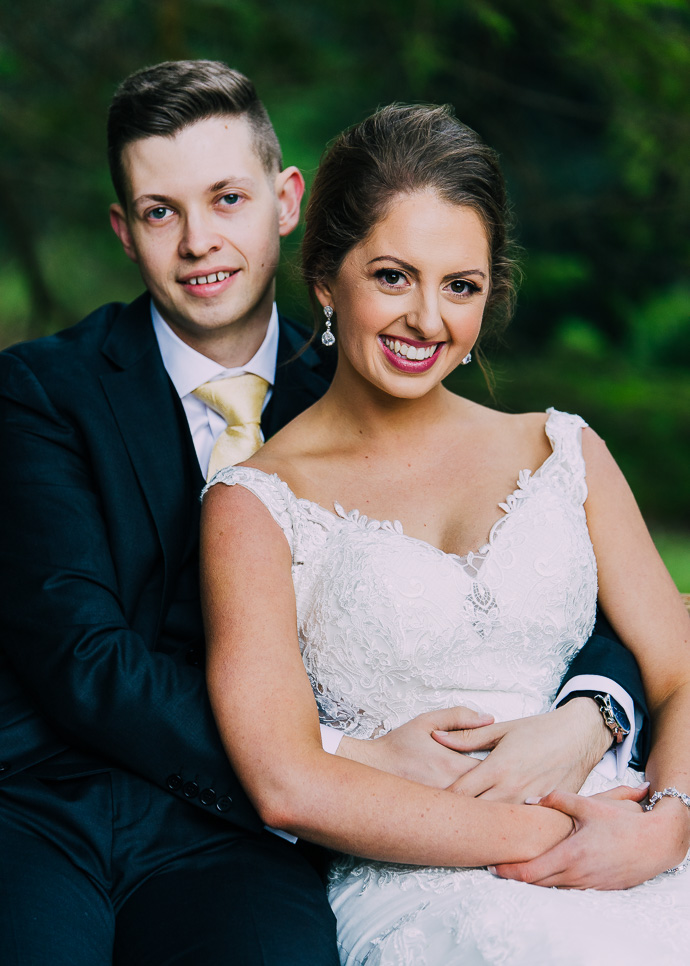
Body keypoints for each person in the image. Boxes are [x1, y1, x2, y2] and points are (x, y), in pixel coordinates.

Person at [0, 58, 646, 963]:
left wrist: (594, 711)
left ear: (287, 200)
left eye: (227, 198)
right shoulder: (41, 392)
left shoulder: (382, 368)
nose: (199, 242)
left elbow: (551, 561)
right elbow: (83, 655)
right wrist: (349, 751)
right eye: (160, 211)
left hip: (246, 845)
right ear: (123, 228)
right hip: (54, 797)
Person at [200, 103, 690, 965]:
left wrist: (667, 829)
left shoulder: (562, 449)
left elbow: (681, 668)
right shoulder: (255, 504)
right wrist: (533, 837)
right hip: (425, 886)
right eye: (394, 276)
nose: (428, 319)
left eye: (459, 286)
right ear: (324, 276)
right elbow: (287, 784)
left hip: (625, 834)